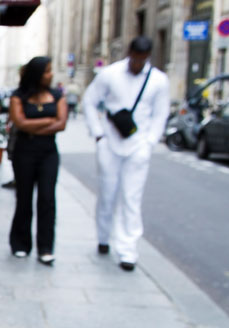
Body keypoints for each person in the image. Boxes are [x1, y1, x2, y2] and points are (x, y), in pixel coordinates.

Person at [82, 36, 170, 271]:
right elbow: (89, 101)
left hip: (138, 145)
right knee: (107, 193)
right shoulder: (109, 75)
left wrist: (149, 142)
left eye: (142, 60)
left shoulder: (158, 81)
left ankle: (127, 250)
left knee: (132, 198)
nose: (138, 63)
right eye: (135, 58)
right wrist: (98, 134)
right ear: (129, 54)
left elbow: (160, 114)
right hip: (110, 143)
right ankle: (103, 237)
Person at [8, 56, 67, 266]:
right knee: (24, 197)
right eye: (47, 71)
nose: (50, 75)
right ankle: (20, 243)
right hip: (25, 151)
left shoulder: (57, 95)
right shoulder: (19, 96)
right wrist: (48, 120)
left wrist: (35, 124)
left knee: (47, 198)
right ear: (37, 74)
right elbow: (20, 123)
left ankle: (45, 247)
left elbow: (62, 123)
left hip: (48, 152)